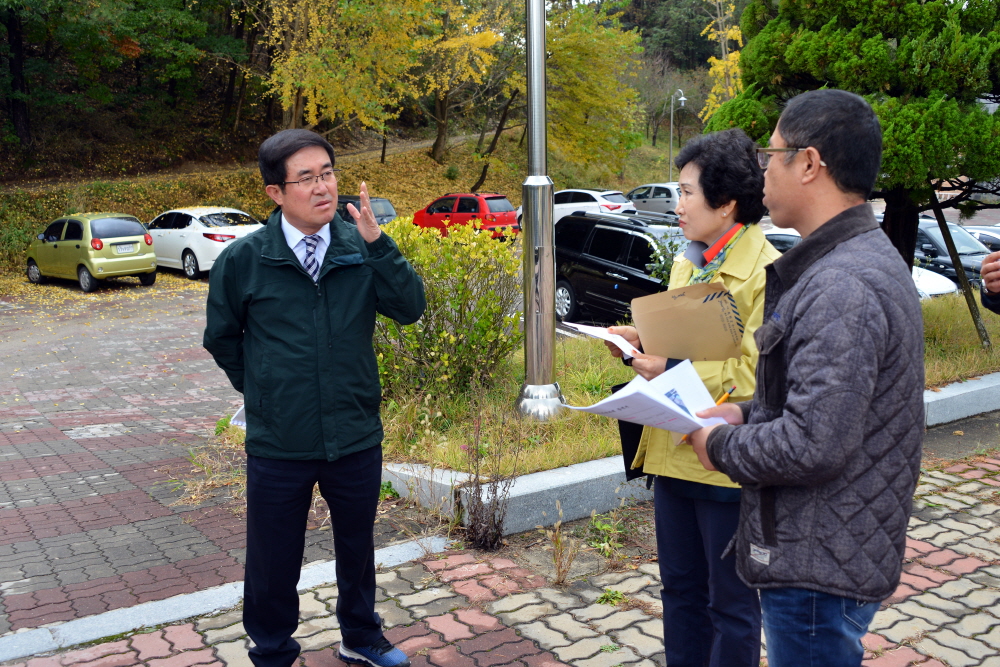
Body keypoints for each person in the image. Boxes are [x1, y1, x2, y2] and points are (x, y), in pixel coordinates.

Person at [688, 90, 924, 667]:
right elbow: (823, 397)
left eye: (773, 155)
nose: (762, 170)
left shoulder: (843, 283)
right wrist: (743, 411)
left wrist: (718, 444)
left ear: (810, 163)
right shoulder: (851, 260)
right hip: (831, 541)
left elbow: (814, 443)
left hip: (820, 557)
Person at [203, 129, 426, 667]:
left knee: (358, 548)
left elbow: (410, 306)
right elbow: (222, 337)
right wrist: (264, 391)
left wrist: (379, 244)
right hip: (280, 440)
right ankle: (273, 649)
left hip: (353, 431)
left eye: (327, 173)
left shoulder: (358, 247)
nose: (323, 186)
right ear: (275, 193)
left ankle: (362, 637)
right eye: (306, 178)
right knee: (274, 557)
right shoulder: (245, 259)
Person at [605, 128, 778, 667]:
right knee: (679, 593)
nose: (675, 203)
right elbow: (674, 337)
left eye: (685, 192)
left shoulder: (766, 272)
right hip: (669, 454)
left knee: (730, 605)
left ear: (725, 203)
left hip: (723, 463)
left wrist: (672, 367)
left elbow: (756, 377)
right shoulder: (689, 259)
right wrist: (638, 341)